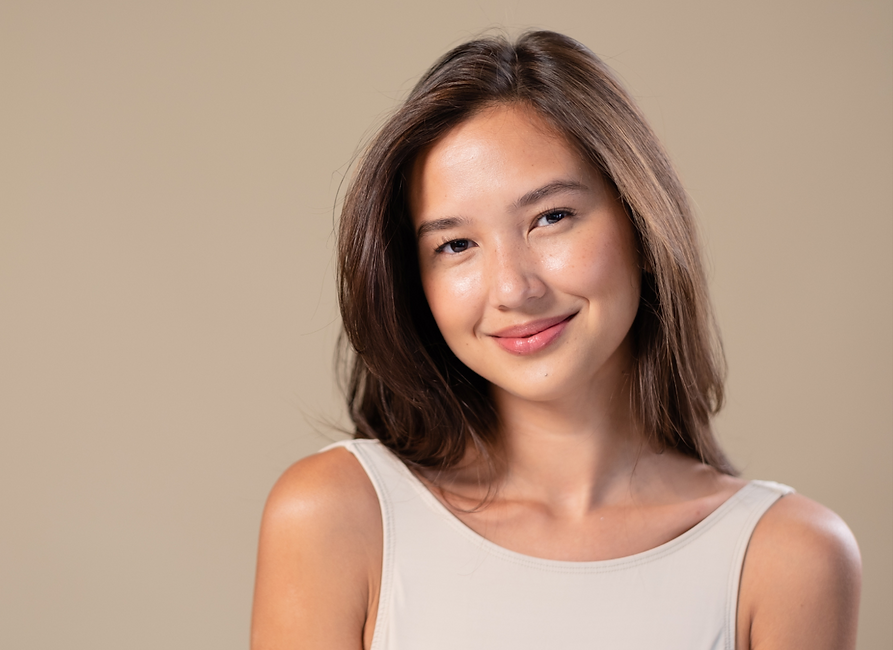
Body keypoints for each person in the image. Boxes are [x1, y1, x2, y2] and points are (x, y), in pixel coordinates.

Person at [250, 31, 861, 649]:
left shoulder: (786, 558)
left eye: (551, 218)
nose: (513, 288)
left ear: (641, 224)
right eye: (456, 245)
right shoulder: (336, 518)